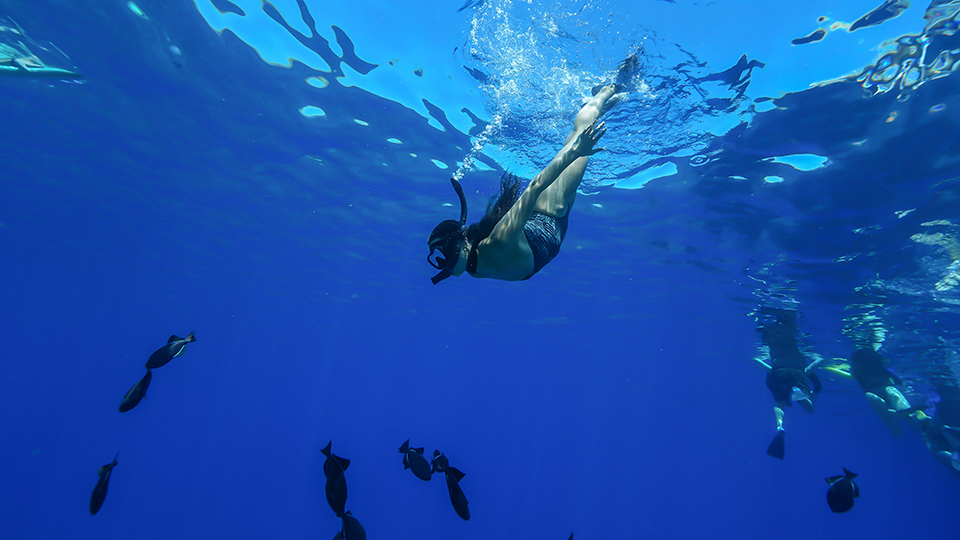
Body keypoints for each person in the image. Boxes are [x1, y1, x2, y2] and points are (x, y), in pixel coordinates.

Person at [426, 69, 630, 283]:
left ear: (463, 242)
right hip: (555, 231)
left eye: (445, 250)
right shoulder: (474, 270)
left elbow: (535, 187)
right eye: (440, 255)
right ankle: (590, 113)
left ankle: (609, 88)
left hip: (551, 208)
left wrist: (576, 152)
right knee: (574, 139)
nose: (443, 260)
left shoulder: (498, 241)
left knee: (582, 135)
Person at [752, 307, 824, 459]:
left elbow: (763, 370)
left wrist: (772, 374)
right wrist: (815, 392)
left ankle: (779, 426)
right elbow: (817, 383)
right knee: (809, 409)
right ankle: (801, 394)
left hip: (777, 371)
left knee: (780, 402)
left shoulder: (774, 350)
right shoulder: (802, 357)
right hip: (797, 371)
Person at [825, 348, 914, 438]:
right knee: (892, 393)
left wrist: (828, 368)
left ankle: (897, 417)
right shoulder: (881, 368)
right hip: (886, 387)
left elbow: (849, 376)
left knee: (895, 431)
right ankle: (911, 417)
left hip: (871, 393)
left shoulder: (857, 370)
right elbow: (898, 382)